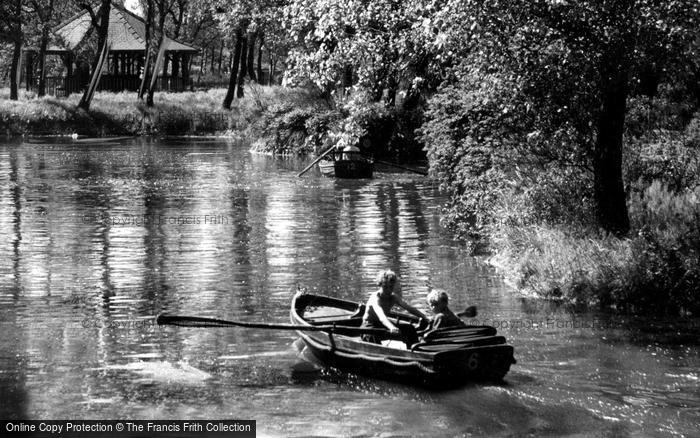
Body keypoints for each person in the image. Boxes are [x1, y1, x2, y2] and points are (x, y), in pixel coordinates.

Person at [360, 269, 428, 343]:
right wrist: (391, 327)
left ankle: (414, 349)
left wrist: (425, 317)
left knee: (410, 328)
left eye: (391, 287)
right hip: (369, 326)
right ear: (380, 285)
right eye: (385, 287)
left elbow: (409, 308)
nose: (389, 290)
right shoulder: (375, 298)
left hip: (382, 325)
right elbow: (382, 317)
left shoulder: (393, 297)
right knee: (372, 336)